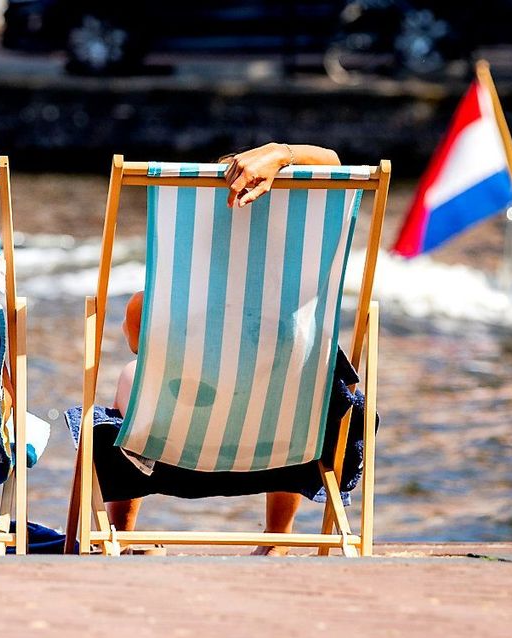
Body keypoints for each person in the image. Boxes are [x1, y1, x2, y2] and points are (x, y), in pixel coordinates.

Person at [108, 142, 343, 555]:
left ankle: (123, 536)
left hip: (178, 437)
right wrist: (282, 154)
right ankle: (277, 538)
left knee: (135, 373)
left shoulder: (159, 302)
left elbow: (137, 343)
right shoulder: (300, 304)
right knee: (303, 374)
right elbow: (336, 166)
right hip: (285, 440)